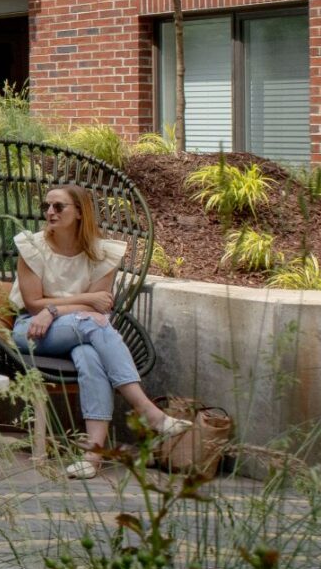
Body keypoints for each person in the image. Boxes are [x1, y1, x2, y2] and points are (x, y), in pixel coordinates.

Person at [11, 182, 189, 478]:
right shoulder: (32, 247)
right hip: (33, 331)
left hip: (80, 329)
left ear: (80, 212)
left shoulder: (101, 253)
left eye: (58, 206)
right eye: (46, 207)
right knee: (95, 325)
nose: (49, 212)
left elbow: (97, 308)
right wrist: (76, 302)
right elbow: (32, 304)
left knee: (90, 356)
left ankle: (92, 457)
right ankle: (146, 409)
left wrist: (55, 308)